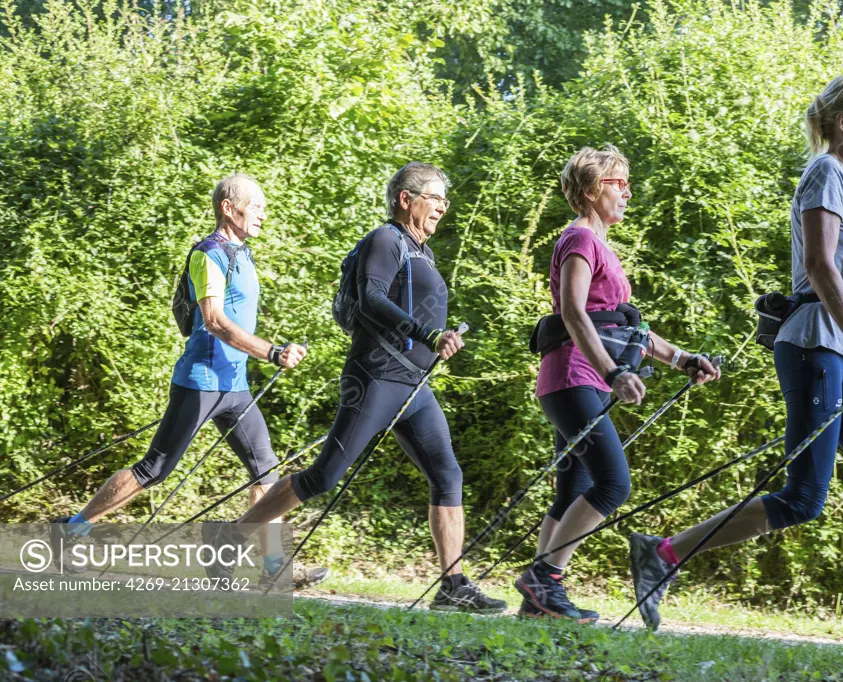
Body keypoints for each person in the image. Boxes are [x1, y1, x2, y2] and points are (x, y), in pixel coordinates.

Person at [628, 77, 843, 653]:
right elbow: (821, 268)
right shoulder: (824, 173)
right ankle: (664, 554)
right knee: (803, 498)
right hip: (816, 347)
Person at [202, 162, 506, 613]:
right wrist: (427, 335)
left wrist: (438, 341)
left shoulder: (423, 251)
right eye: (435, 196)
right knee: (323, 476)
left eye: (446, 199)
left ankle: (452, 585)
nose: (443, 205)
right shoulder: (387, 239)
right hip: (376, 376)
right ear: (406, 199)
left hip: (413, 386)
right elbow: (372, 299)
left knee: (447, 475)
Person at [50, 173, 328, 589]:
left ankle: (274, 568)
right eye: (256, 207)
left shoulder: (244, 253)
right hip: (200, 382)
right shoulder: (208, 254)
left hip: (235, 386)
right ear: (228, 208)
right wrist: (272, 351)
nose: (263, 215)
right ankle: (70, 532)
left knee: (265, 472)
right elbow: (214, 321)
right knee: (155, 468)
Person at [514, 145, 720, 622]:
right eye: (617, 183)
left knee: (572, 492)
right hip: (575, 378)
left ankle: (536, 604)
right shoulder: (580, 241)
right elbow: (573, 311)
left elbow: (624, 328)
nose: (627, 191)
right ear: (589, 191)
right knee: (613, 484)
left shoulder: (601, 246)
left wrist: (683, 358)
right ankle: (545, 580)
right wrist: (613, 371)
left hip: (578, 380)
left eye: (628, 183)